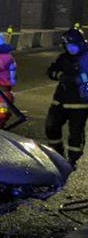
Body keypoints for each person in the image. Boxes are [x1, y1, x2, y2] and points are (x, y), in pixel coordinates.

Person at [46, 28, 88, 164]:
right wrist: (60, 76)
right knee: (51, 127)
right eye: (68, 46)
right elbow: (51, 71)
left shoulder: (86, 57)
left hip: (79, 103)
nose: (70, 49)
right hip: (60, 100)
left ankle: (74, 161)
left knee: (75, 134)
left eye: (73, 46)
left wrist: (77, 79)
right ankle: (57, 157)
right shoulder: (63, 58)